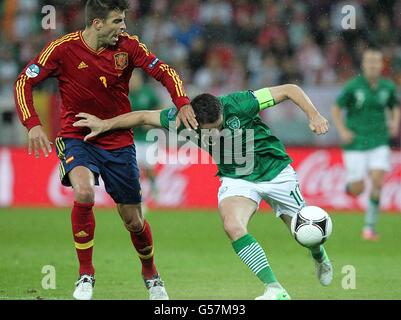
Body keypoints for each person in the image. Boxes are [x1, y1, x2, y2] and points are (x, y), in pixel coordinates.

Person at [73, 84, 331, 300]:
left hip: (276, 172)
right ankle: (274, 289)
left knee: (303, 234)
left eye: (219, 125)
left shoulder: (242, 102)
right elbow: (141, 117)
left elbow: (289, 89)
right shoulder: (180, 119)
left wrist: (314, 115)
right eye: (210, 129)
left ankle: (319, 255)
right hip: (236, 179)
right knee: (232, 226)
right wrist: (106, 124)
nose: (217, 132)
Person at [14, 0, 197, 300]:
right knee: (84, 193)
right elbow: (24, 81)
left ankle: (151, 275)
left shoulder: (129, 47)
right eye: (117, 21)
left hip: (118, 140)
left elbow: (164, 71)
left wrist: (182, 101)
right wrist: (33, 123)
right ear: (97, 23)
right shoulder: (62, 49)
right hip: (77, 136)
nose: (123, 27)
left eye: (123, 20)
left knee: (134, 221)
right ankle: (86, 274)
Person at [332, 47, 400, 241]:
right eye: (369, 61)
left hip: (379, 140)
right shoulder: (353, 86)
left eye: (376, 61)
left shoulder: (388, 87)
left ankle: (369, 227)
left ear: (381, 65)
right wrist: (343, 130)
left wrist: (395, 122)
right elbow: (336, 108)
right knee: (358, 188)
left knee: (378, 180)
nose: (372, 65)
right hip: (356, 143)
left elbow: (394, 106)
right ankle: (349, 188)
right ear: (363, 64)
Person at [128, 72, 160, 203]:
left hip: (148, 139)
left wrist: (152, 122)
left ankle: (154, 188)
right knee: (133, 169)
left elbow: (159, 108)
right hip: (132, 138)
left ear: (140, 79)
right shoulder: (125, 94)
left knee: (149, 169)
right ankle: (137, 196)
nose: (132, 81)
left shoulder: (148, 93)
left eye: (134, 78)